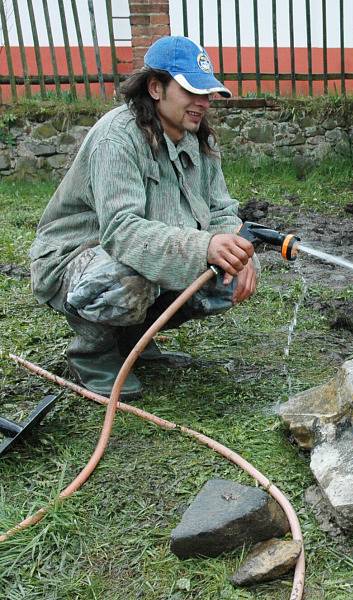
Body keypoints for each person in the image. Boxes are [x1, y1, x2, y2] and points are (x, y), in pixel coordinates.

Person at [28, 36, 259, 400]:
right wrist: (204, 246)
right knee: (130, 278)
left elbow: (220, 210)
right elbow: (121, 232)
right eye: (190, 91)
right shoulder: (116, 139)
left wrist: (239, 250)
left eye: (208, 93)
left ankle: (135, 341)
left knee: (229, 271)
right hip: (75, 256)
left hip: (139, 251)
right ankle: (92, 356)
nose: (203, 102)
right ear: (155, 87)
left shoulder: (200, 140)